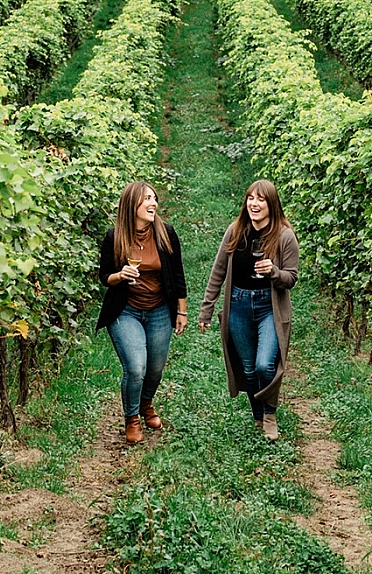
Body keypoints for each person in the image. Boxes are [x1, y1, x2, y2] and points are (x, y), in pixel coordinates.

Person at [200, 180, 298, 441]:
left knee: (264, 364)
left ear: (272, 205)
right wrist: (206, 310)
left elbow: (291, 278)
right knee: (247, 368)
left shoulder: (284, 236)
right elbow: (218, 272)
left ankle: (270, 413)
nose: (254, 204)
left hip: (269, 307)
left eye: (261, 200)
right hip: (239, 305)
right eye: (250, 199)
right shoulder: (235, 232)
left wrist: (274, 272)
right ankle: (258, 416)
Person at [95, 180, 188, 445]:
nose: (153, 203)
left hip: (159, 310)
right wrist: (119, 275)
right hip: (126, 311)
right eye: (146, 198)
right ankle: (132, 418)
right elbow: (104, 276)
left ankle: (146, 403)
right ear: (131, 204)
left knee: (155, 369)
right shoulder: (115, 237)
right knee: (136, 368)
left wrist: (181, 311)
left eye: (154, 199)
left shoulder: (166, 233)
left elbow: (179, 275)